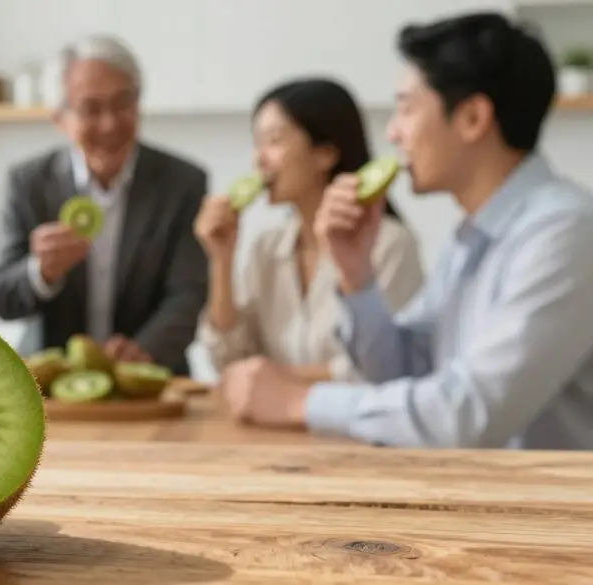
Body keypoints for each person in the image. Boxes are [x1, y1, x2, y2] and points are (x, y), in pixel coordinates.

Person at [226, 12, 593, 451]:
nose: (393, 133)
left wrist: (301, 403)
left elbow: (467, 414)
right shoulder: (473, 235)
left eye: (406, 108)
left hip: (553, 512)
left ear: (473, 118)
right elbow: (406, 369)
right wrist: (356, 275)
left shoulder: (565, 233)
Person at [0, 34, 209, 375]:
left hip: (151, 381)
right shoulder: (28, 183)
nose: (110, 123)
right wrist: (40, 272)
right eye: (91, 109)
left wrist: (141, 353)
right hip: (54, 387)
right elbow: (2, 296)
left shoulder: (183, 183)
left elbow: (187, 294)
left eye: (123, 103)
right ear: (60, 118)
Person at [193, 78, 424, 384]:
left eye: (274, 142)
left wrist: (275, 381)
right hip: (271, 428)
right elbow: (228, 360)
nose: (258, 159)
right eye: (257, 143)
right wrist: (221, 260)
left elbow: (380, 369)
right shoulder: (267, 248)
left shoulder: (390, 245)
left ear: (325, 154)